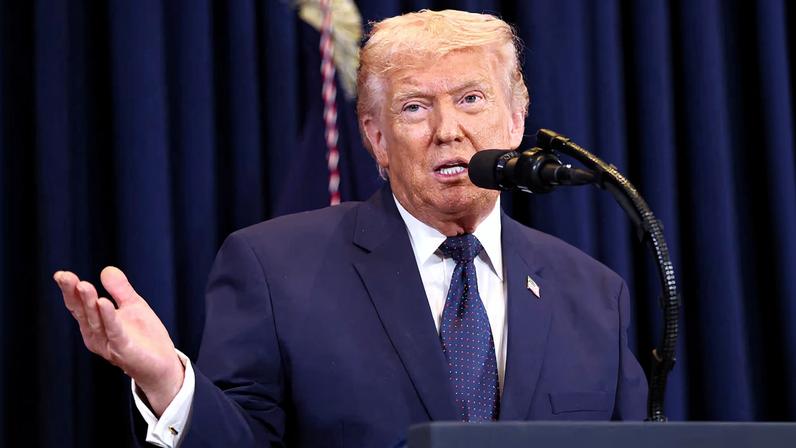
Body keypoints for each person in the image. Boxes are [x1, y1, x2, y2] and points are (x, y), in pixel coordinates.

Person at [54, 9, 647, 448]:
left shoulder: (594, 295)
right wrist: (168, 382)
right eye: (415, 106)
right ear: (374, 136)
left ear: (515, 120)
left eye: (471, 99)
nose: (448, 131)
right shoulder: (273, 269)